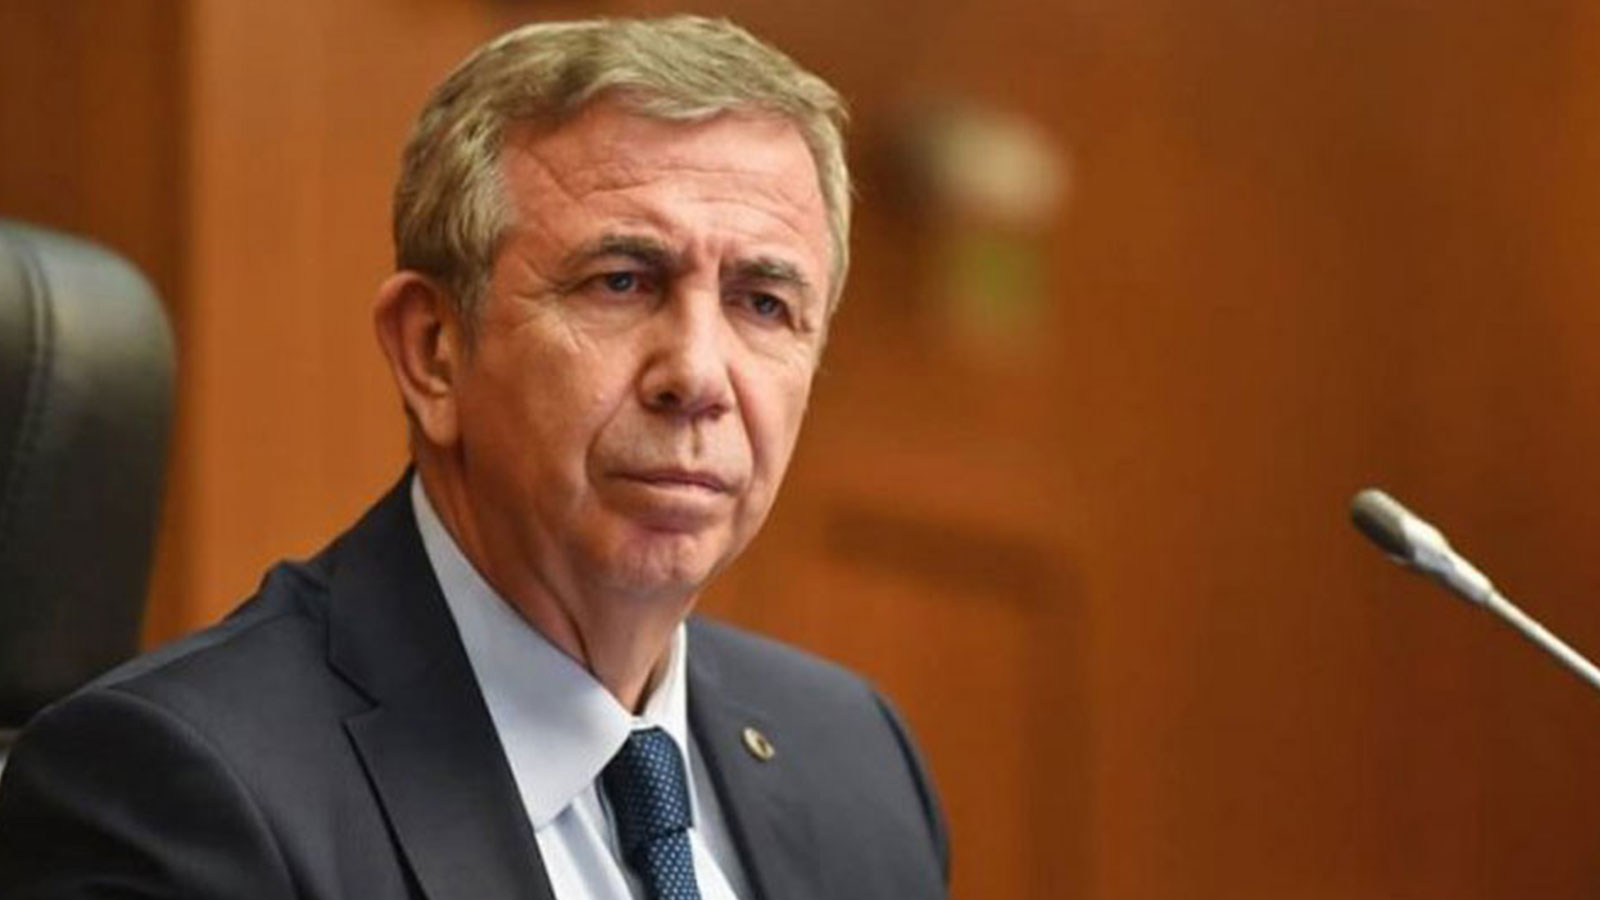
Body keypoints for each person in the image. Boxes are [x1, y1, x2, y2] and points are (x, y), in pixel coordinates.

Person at [0, 15, 949, 900]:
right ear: (434, 352)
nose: (698, 376)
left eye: (763, 304)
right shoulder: (177, 792)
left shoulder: (855, 761)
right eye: (621, 282)